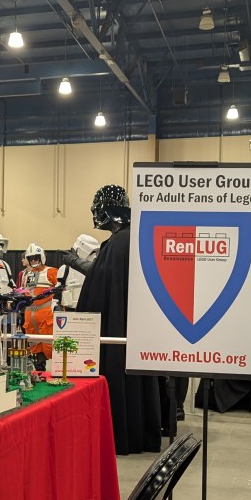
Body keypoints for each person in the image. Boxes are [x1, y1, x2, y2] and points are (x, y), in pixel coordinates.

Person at [76, 184, 163, 454]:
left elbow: (101, 290)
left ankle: (120, 433)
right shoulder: (131, 239)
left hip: (115, 330)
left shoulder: (119, 243)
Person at [22, 242, 58, 370]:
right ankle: (39, 371)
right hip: (30, 317)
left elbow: (62, 290)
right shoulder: (27, 274)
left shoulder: (51, 272)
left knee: (50, 345)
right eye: (30, 258)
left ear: (41, 257)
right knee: (35, 346)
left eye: (35, 258)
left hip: (45, 315)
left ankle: (54, 371)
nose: (33, 260)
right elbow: (25, 292)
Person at [57, 233, 99, 308]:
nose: (95, 256)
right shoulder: (65, 269)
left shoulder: (97, 270)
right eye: (92, 252)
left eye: (96, 252)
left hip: (91, 311)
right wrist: (56, 306)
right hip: (70, 311)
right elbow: (57, 293)